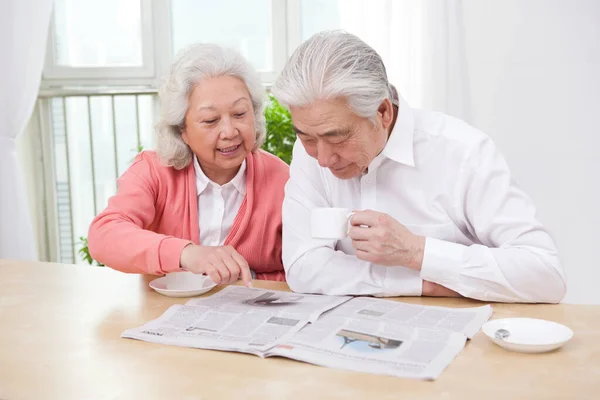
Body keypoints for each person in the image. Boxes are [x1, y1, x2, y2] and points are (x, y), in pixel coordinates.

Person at [272, 31, 566, 302]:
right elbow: (303, 265)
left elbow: (545, 274)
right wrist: (425, 284)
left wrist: (416, 251)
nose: (322, 159)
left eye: (337, 138)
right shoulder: (309, 151)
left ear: (383, 112)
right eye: (306, 137)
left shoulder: (463, 153)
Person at [88, 44, 289, 285]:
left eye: (239, 113)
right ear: (182, 129)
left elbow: (303, 268)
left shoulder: (282, 179)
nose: (229, 131)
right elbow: (104, 235)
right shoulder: (153, 170)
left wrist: (246, 277)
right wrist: (187, 254)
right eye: (210, 120)